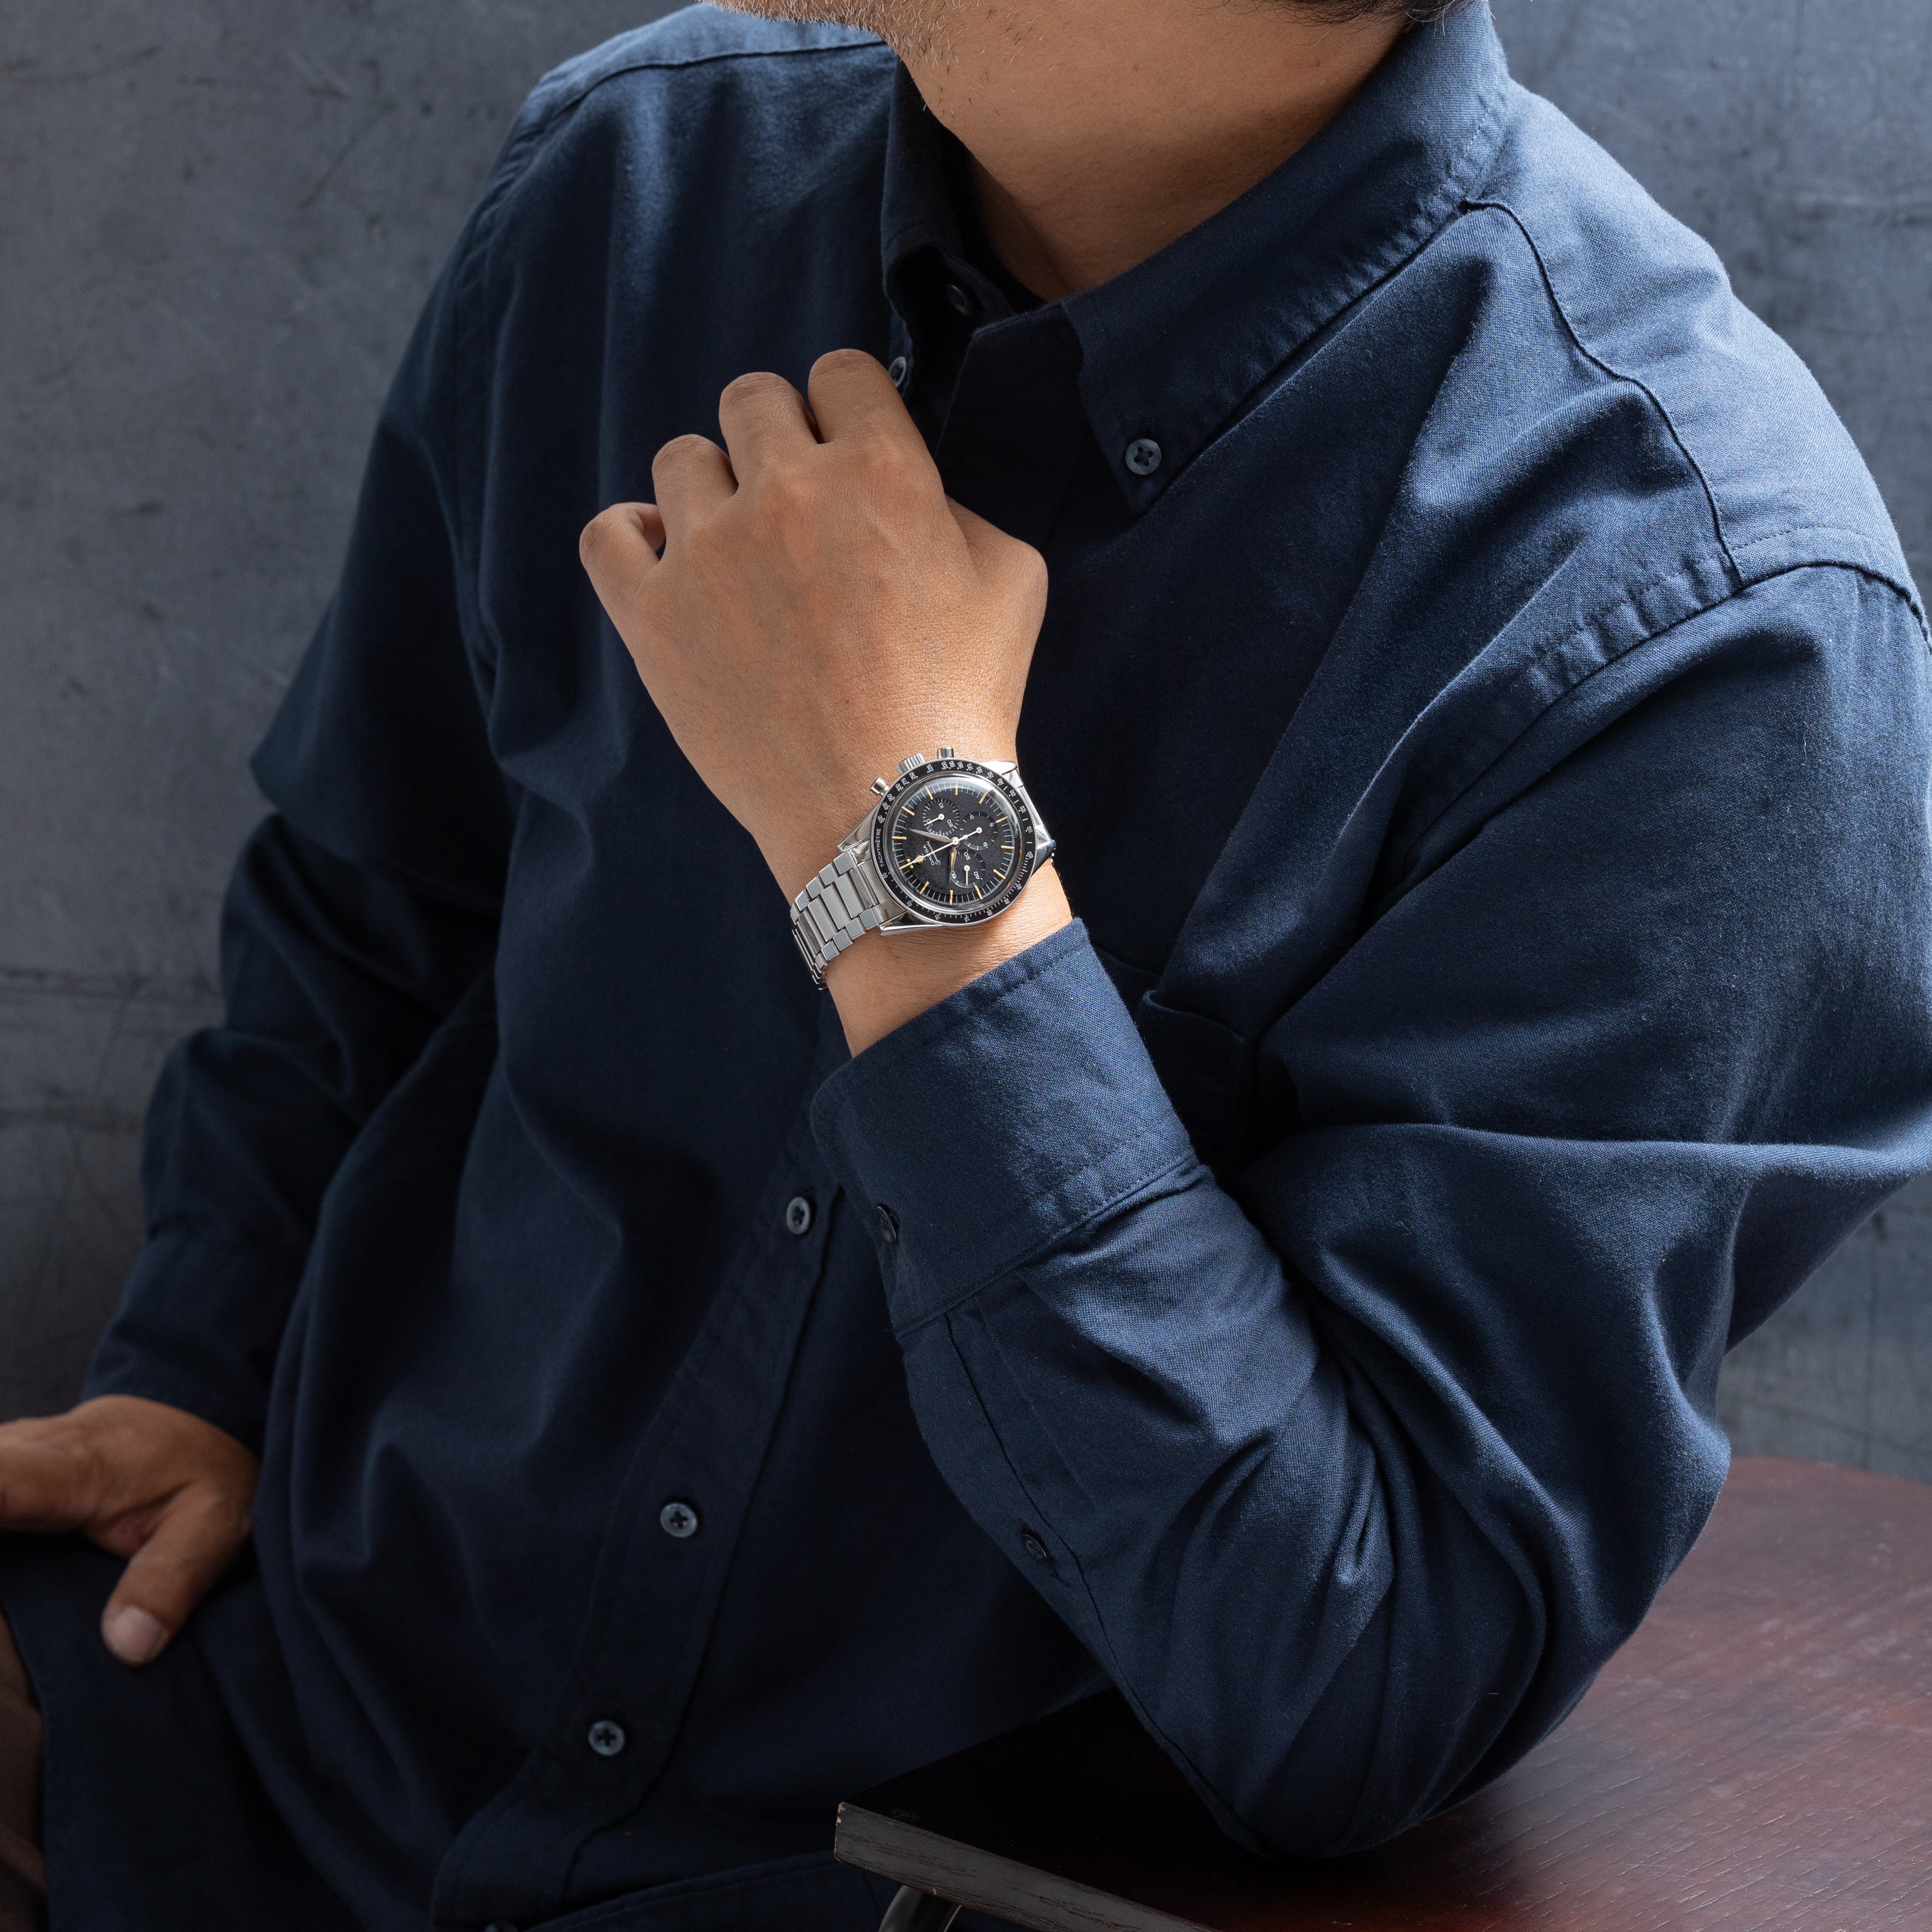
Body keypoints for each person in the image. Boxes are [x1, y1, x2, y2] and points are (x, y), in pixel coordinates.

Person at [1, 0, 1926, 1924]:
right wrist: (199, 1362)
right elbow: (374, 901)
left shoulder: (1713, 642)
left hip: (867, 1895)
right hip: (266, 1741)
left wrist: (912, 846)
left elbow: (1355, 1673)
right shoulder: (631, 184)